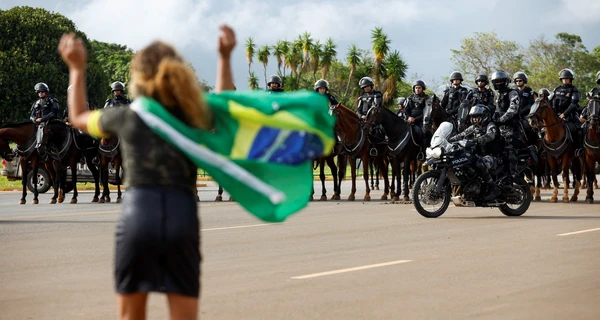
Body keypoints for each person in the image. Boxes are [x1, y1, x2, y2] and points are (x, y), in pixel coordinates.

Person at [59, 24, 237, 319]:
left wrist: (76, 68)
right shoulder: (193, 114)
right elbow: (223, 102)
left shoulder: (126, 115)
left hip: (138, 216)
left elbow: (77, 116)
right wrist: (224, 57)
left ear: (138, 77)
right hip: (182, 215)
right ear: (179, 75)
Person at [448, 105, 502, 200]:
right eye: (473, 117)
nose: (475, 119)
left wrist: (476, 140)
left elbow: (490, 136)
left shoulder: (490, 125)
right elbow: (462, 135)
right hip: (478, 154)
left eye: (477, 116)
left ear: (484, 116)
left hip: (492, 156)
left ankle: (493, 187)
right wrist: (448, 140)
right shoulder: (474, 127)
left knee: (479, 164)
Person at [491, 70, 521, 169]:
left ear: (506, 81)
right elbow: (497, 109)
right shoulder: (498, 95)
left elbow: (513, 109)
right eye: (497, 81)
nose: (499, 83)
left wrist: (501, 119)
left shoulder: (512, 93)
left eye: (501, 81)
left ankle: (514, 173)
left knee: (509, 152)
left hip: (511, 127)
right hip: (499, 127)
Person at [551, 68, 583, 155]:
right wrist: (557, 114)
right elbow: (552, 102)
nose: (565, 80)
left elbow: (573, 104)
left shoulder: (574, 90)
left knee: (580, 130)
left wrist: (564, 114)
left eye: (566, 78)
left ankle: (579, 149)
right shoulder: (556, 89)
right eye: (563, 79)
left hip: (571, 115)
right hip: (557, 115)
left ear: (570, 79)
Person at [30, 82, 59, 150]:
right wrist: (34, 120)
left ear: (46, 92)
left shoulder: (52, 101)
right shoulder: (36, 103)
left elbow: (53, 113)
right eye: (38, 92)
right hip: (37, 124)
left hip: (50, 124)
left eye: (42, 91)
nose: (40, 93)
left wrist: (42, 119)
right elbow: (31, 115)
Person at [404, 80, 429, 153]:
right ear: (414, 89)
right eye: (416, 88)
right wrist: (408, 117)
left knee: (424, 133)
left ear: (422, 89)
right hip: (409, 121)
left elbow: (427, 112)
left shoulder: (427, 98)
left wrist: (415, 119)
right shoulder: (409, 98)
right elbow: (406, 110)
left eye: (419, 88)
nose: (417, 89)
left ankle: (423, 152)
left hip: (421, 121)